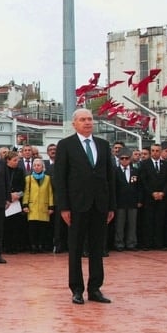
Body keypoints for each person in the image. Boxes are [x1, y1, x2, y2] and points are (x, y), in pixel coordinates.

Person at [54, 108, 116, 304]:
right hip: (76, 205)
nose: (88, 122)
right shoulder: (66, 145)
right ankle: (77, 289)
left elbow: (110, 177)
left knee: (97, 248)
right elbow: (60, 178)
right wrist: (64, 207)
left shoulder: (103, 145)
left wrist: (111, 206)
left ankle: (95, 288)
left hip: (100, 205)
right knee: (75, 248)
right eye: (83, 120)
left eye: (90, 119)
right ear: (74, 124)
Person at [22, 158, 54, 253]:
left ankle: (41, 246)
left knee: (43, 228)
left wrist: (51, 206)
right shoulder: (28, 178)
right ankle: (33, 246)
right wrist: (25, 205)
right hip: (32, 207)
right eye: (35, 165)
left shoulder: (48, 178)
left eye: (38, 165)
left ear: (42, 167)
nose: (36, 167)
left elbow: (50, 193)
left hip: (44, 206)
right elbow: (26, 192)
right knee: (33, 228)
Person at [113, 148, 140, 252]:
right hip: (120, 202)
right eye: (122, 158)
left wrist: (139, 200)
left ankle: (131, 243)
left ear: (130, 159)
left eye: (127, 158)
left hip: (132, 201)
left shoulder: (135, 171)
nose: (124, 160)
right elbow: (113, 188)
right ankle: (119, 243)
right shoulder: (115, 171)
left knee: (132, 224)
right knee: (120, 224)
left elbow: (139, 187)